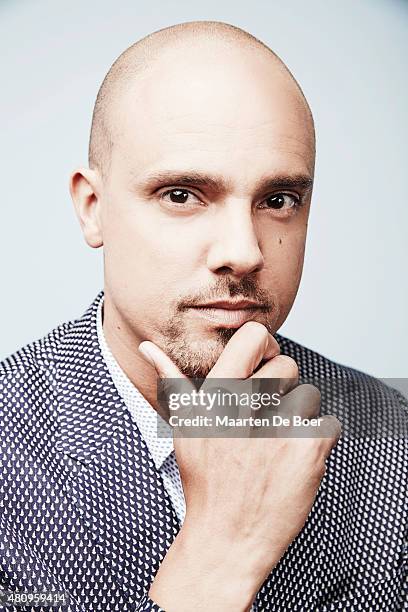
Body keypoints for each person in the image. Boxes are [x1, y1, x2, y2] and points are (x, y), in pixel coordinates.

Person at [0, 20, 406, 612]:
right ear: (93, 209)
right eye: (182, 195)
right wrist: (219, 558)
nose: (244, 251)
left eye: (278, 200)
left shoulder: (394, 437)